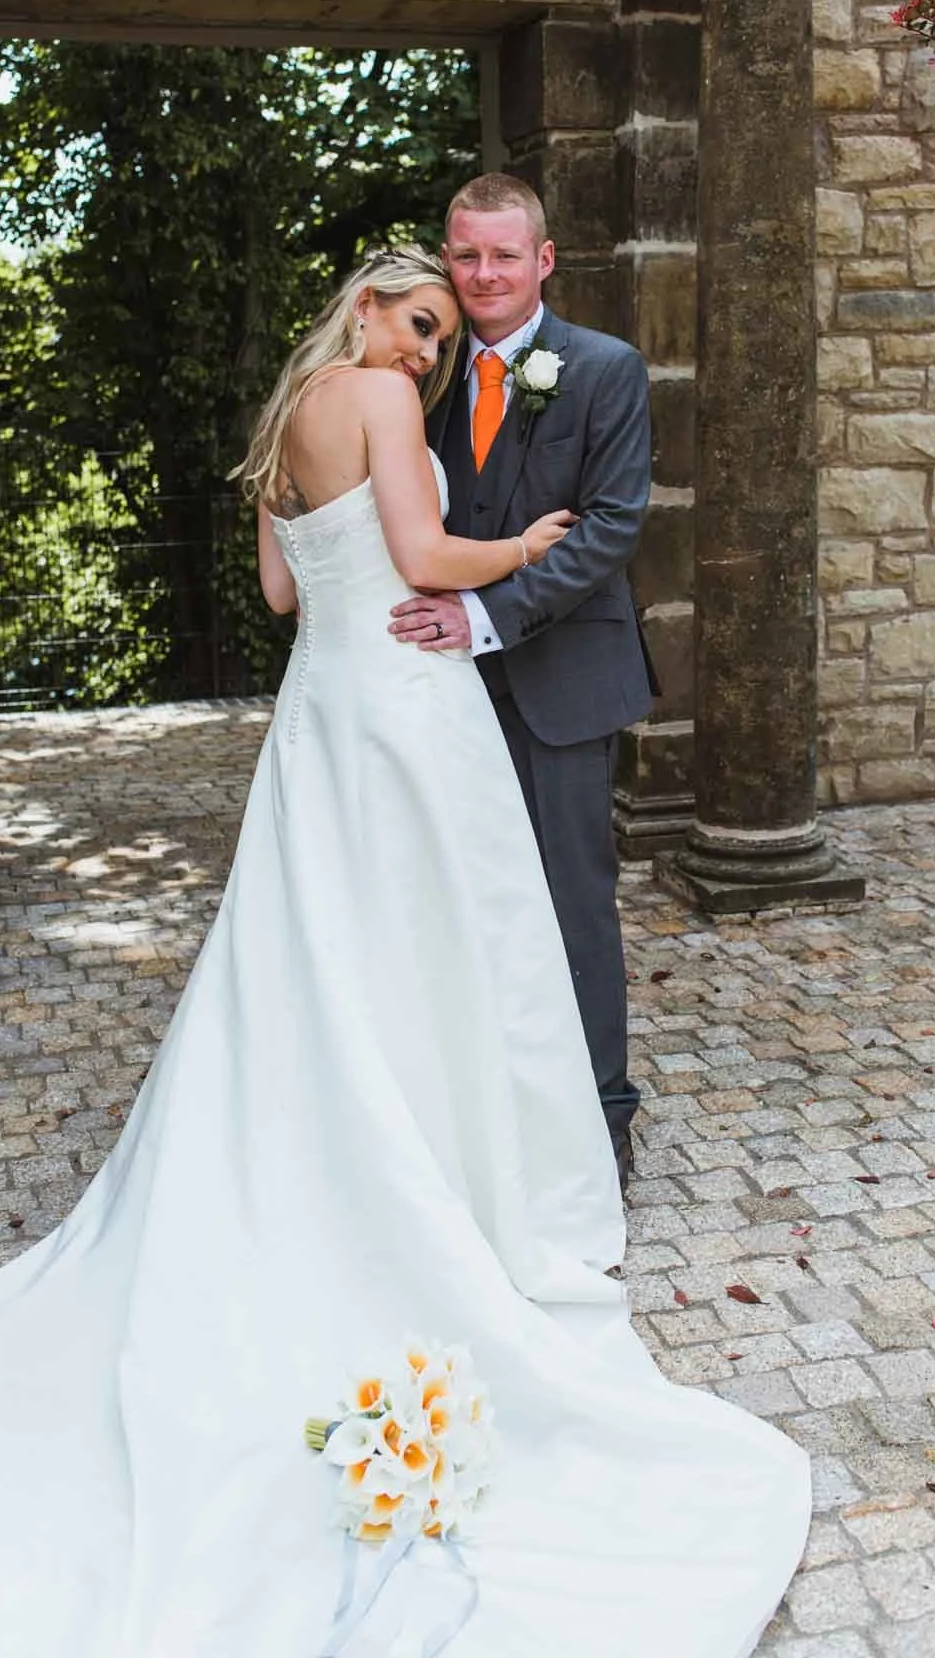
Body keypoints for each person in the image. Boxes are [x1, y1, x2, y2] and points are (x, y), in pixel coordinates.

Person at [0, 247, 808, 1657]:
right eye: (417, 317)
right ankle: (444, 1176)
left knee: (321, 951)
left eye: (442, 334)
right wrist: (520, 548)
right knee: (437, 945)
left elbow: (283, 596)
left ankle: (344, 1145)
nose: (425, 349)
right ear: (366, 306)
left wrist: (401, 562)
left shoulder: (283, 425)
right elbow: (424, 561)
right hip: (405, 708)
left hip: (324, 710)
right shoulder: (383, 404)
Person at [390, 175, 651, 1193]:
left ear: (542, 259)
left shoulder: (603, 369)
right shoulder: (420, 372)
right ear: (445, 258)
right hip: (439, 686)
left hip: (562, 682)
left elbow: (611, 526)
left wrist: (484, 614)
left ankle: (601, 1117)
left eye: (503, 254)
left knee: (571, 905)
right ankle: (487, 1107)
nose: (483, 274)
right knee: (458, 898)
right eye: (465, 254)